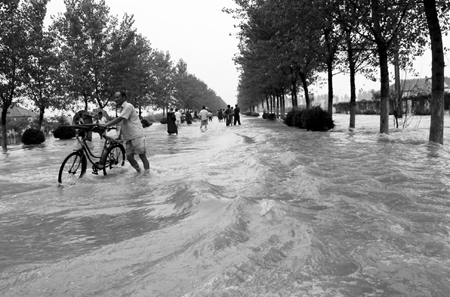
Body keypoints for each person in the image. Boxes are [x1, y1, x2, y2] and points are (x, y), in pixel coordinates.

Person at [104, 91, 150, 174]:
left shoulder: (128, 106)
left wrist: (106, 125)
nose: (115, 99)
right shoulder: (122, 109)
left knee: (142, 156)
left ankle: (147, 174)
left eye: (118, 97)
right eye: (115, 97)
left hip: (137, 135)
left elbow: (120, 119)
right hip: (128, 137)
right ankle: (139, 172)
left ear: (124, 98)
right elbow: (123, 123)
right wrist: (119, 136)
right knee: (129, 157)